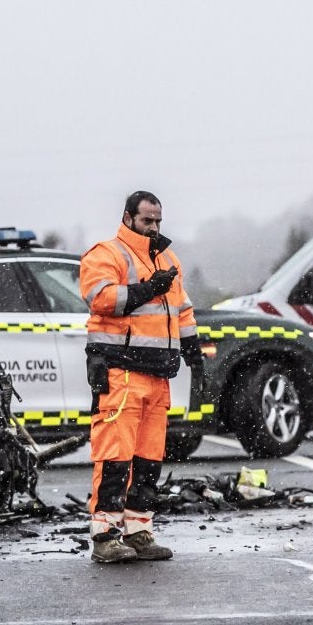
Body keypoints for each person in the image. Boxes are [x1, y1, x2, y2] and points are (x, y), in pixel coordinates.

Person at [78, 190, 202, 564]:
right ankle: (105, 536)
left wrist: (194, 351)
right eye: (147, 220)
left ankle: (138, 529)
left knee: (148, 457)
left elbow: (182, 310)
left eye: (158, 221)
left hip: (156, 375)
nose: (153, 227)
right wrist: (149, 288)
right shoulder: (107, 253)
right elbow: (100, 298)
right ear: (128, 217)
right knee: (114, 456)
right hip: (121, 371)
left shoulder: (167, 258)